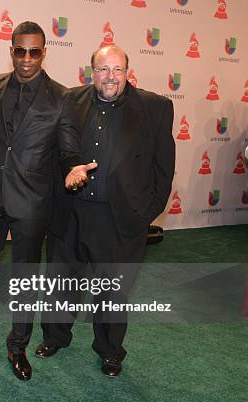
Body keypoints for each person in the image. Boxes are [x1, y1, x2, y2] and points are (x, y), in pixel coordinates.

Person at [39, 45, 175, 377]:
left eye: (116, 69)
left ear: (128, 71)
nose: (109, 77)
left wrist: (144, 214)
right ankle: (55, 337)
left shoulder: (155, 107)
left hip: (119, 219)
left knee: (113, 290)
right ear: (91, 71)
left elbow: (164, 166)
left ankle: (110, 351)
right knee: (61, 283)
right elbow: (57, 151)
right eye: (102, 69)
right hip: (72, 211)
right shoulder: (71, 99)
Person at [0, 21, 93, 381]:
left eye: (35, 51)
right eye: (20, 50)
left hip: (32, 202)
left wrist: (74, 167)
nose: (27, 59)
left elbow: (69, 148)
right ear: (11, 50)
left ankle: (17, 346)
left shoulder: (62, 97)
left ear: (44, 52)